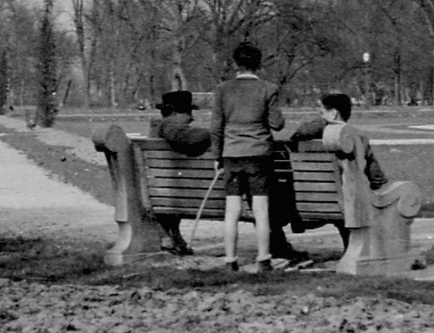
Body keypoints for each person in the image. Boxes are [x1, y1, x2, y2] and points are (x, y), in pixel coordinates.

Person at [209, 42, 284, 273]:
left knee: (232, 211)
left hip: (231, 154)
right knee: (261, 210)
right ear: (259, 64)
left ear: (235, 64)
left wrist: (217, 155)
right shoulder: (268, 89)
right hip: (258, 155)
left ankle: (230, 259)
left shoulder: (223, 90)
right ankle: (263, 258)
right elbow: (277, 124)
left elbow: (216, 127)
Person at [147, 90, 212, 255]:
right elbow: (187, 137)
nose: (192, 117)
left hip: (165, 192)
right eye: (188, 112)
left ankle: (171, 236)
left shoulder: (158, 129)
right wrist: (214, 134)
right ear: (175, 113)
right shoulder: (169, 127)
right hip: (187, 194)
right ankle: (170, 236)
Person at [286, 92, 388, 190]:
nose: (320, 116)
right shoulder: (358, 137)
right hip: (345, 200)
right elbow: (377, 178)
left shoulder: (304, 139)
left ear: (334, 113)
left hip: (303, 196)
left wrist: (322, 123)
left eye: (322, 113)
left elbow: (300, 132)